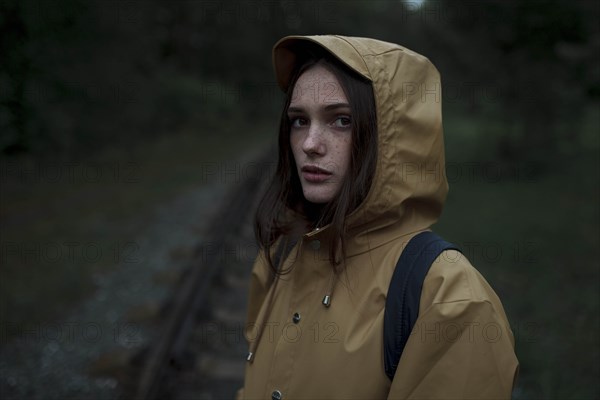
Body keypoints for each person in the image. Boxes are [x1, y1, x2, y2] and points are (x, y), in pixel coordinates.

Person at [237, 35, 519, 400]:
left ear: (393, 139)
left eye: (340, 121)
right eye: (299, 121)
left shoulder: (450, 298)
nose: (310, 143)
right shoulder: (280, 255)